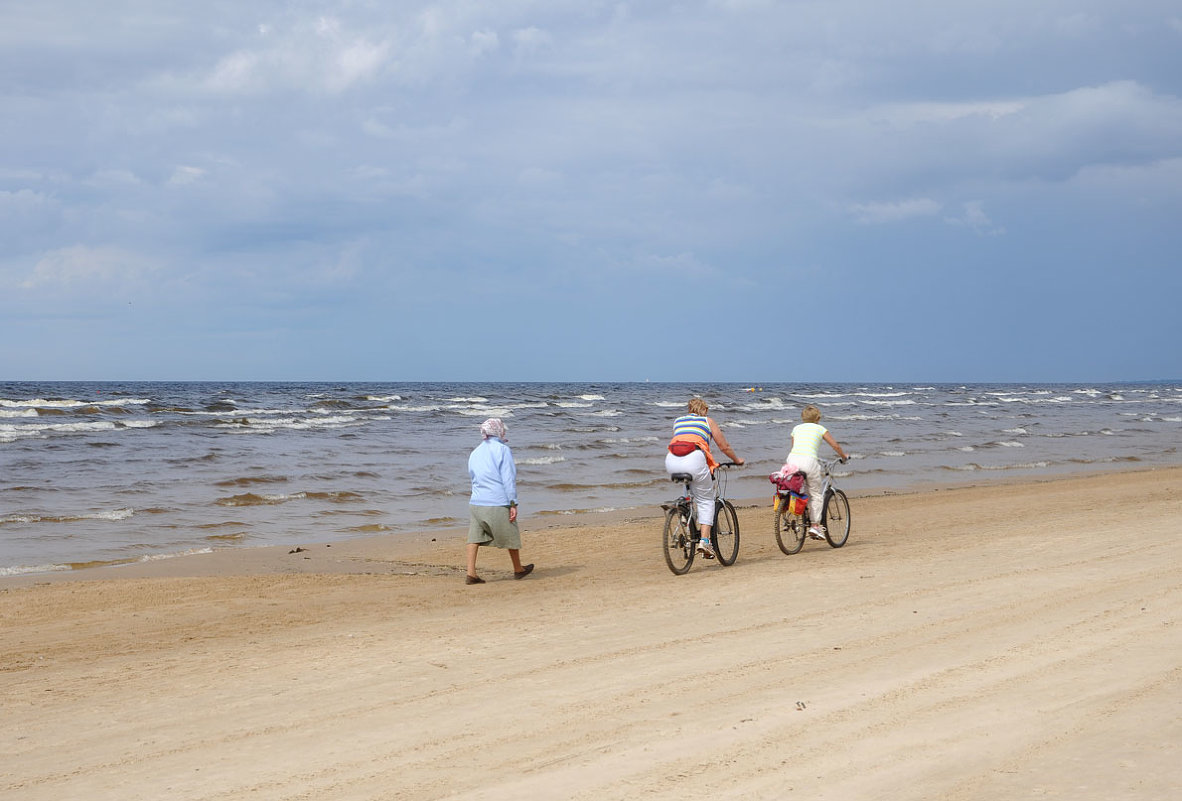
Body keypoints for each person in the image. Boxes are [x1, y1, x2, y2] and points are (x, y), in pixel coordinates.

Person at [665, 398, 744, 558]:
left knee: (690, 489)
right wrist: (737, 460)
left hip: (672, 459)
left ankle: (683, 512)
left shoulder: (678, 421)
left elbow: (684, 440)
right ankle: (705, 542)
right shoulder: (707, 421)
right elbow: (724, 446)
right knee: (706, 500)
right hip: (694, 458)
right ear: (705, 410)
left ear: (689, 410)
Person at [465, 418, 534, 584]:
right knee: (510, 533)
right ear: (498, 431)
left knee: (474, 537)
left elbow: (473, 477)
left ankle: (471, 573)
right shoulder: (502, 450)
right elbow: (508, 478)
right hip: (496, 501)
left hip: (476, 502)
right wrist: (513, 503)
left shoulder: (475, 452)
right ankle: (518, 569)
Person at [784, 405, 848, 540]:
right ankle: (815, 526)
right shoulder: (820, 428)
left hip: (792, 460)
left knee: (799, 490)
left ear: (803, 417)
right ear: (818, 418)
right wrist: (844, 456)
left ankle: (794, 515)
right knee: (815, 494)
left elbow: (795, 447)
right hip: (809, 461)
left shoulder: (796, 428)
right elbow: (835, 445)